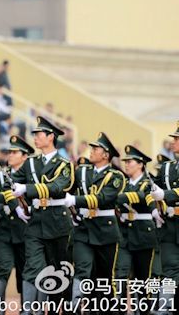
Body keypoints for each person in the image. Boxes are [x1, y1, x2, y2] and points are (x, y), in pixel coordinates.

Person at [9, 116, 74, 314]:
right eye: (35, 135)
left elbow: (57, 187)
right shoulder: (30, 163)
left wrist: (26, 189)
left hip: (57, 221)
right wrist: (16, 207)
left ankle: (60, 309)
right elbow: (8, 185)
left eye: (39, 134)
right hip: (36, 223)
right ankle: (30, 311)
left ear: (51, 136)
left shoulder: (64, 163)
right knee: (32, 268)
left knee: (58, 271)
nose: (35, 138)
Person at [64, 132, 125, 308]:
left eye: (96, 149)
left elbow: (103, 198)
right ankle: (75, 308)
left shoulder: (116, 176)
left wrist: (76, 200)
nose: (91, 151)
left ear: (106, 154)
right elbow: (66, 188)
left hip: (105, 231)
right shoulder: (82, 171)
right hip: (83, 229)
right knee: (82, 270)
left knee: (104, 277)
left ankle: (104, 309)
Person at [0, 136, 34, 314]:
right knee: (2, 268)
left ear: (25, 156)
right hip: (5, 230)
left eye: (15, 152)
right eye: (9, 151)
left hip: (25, 230)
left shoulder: (31, 175)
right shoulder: (1, 175)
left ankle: (27, 308)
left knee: (25, 271)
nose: (10, 155)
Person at [114, 145, 160, 308]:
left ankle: (145, 307)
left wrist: (118, 197)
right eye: (125, 162)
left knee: (142, 277)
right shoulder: (123, 184)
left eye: (130, 161)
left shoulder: (148, 183)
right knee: (121, 272)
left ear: (140, 164)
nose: (126, 165)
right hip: (125, 233)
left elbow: (142, 197)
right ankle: (118, 306)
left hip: (143, 234)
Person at [151, 121, 179, 312]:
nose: (173, 142)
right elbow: (152, 190)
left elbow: (165, 193)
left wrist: (166, 196)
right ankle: (165, 307)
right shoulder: (167, 168)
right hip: (170, 224)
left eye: (177, 139)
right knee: (169, 270)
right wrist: (154, 207)